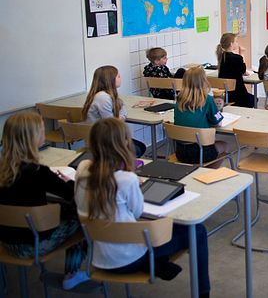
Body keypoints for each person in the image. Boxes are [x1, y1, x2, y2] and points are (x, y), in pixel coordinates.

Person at [75, 118, 211, 298]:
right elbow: (138, 212)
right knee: (197, 231)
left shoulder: (82, 168)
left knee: (146, 227)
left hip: (100, 257)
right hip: (129, 259)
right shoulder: (126, 180)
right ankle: (203, 293)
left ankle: (159, 263)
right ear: (123, 144)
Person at [0, 112, 88, 290]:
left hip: (6, 242)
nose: (44, 132)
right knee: (82, 217)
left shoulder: (3, 170)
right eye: (41, 130)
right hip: (34, 245)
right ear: (31, 138)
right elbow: (74, 194)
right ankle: (72, 273)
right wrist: (70, 181)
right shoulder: (38, 172)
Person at [82, 65, 146, 157]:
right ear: (110, 80)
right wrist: (122, 112)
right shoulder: (103, 97)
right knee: (137, 150)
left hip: (105, 137)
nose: (120, 78)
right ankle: (118, 167)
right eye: (118, 76)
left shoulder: (104, 95)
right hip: (103, 141)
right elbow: (112, 125)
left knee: (141, 146)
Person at [173, 67, 229, 167]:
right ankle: (208, 172)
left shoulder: (179, 99)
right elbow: (218, 123)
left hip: (180, 152)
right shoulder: (207, 99)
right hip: (200, 152)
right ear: (204, 81)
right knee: (224, 145)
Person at [216, 33, 254, 108]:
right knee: (254, 99)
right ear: (231, 44)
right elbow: (243, 71)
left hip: (225, 95)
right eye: (236, 41)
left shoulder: (221, 56)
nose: (237, 43)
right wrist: (242, 54)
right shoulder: (237, 58)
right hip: (238, 96)